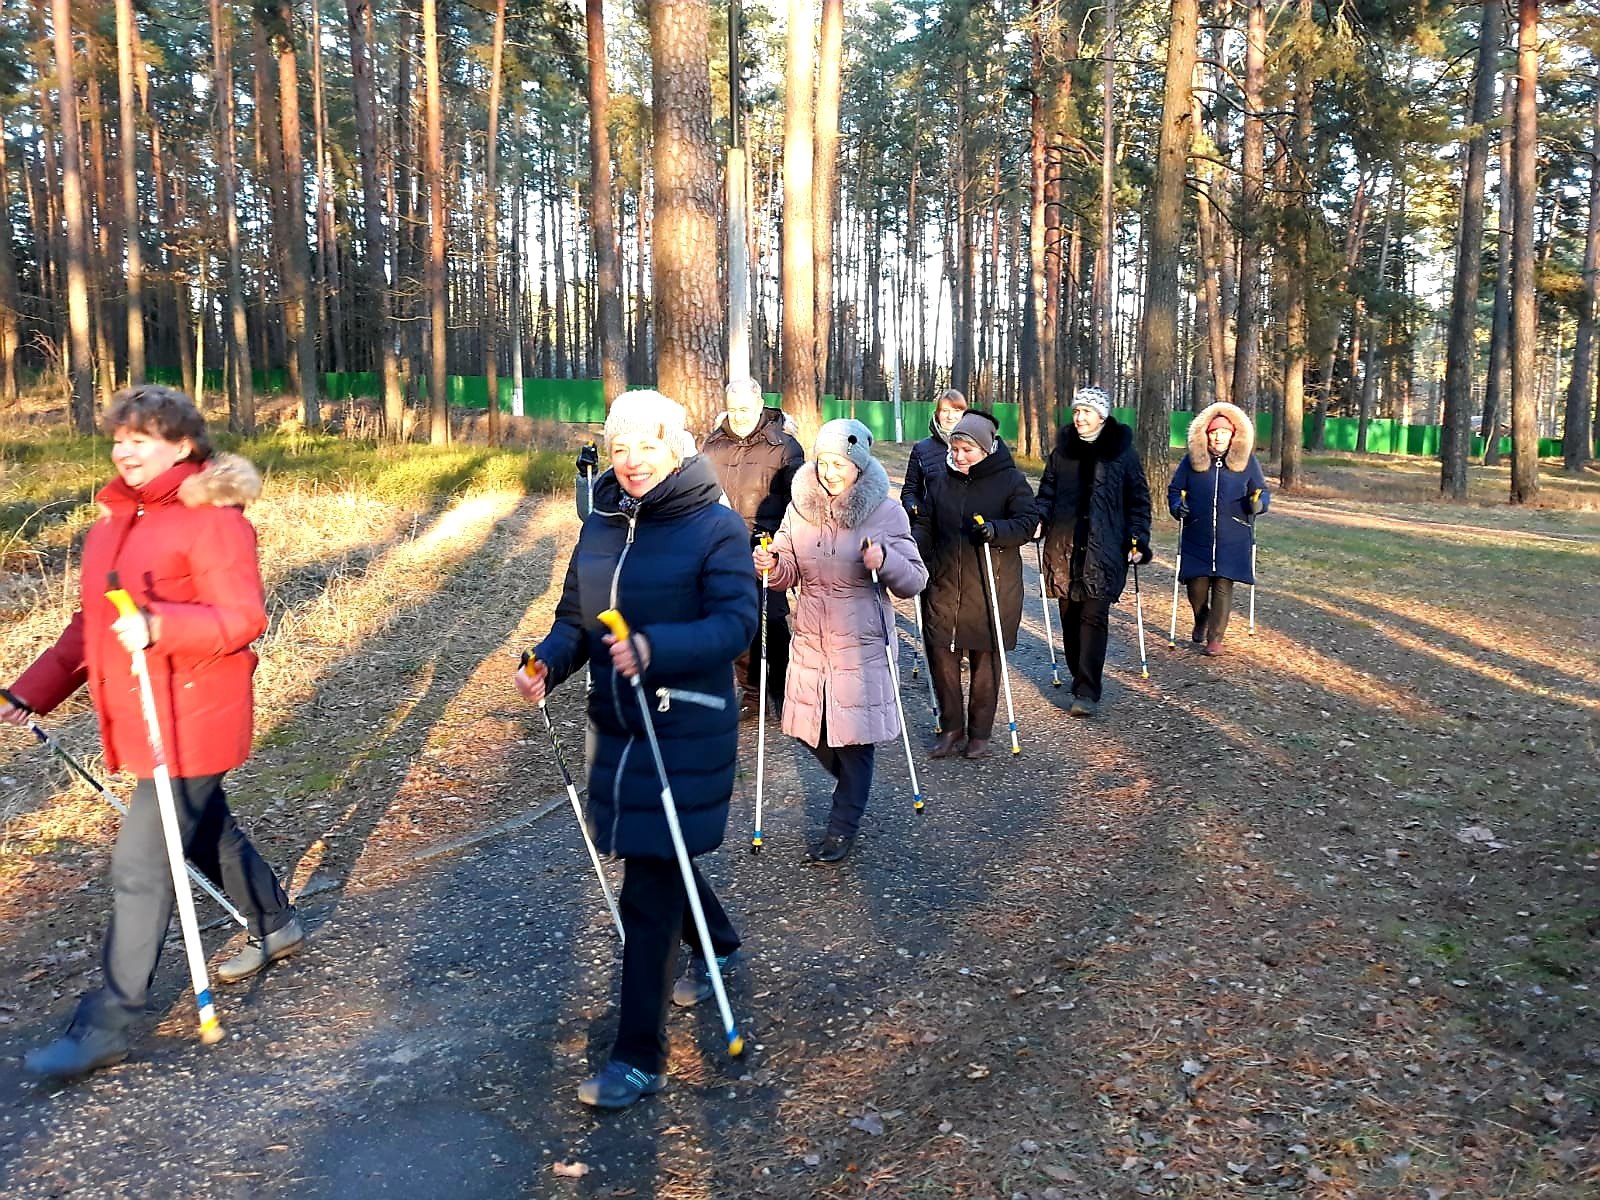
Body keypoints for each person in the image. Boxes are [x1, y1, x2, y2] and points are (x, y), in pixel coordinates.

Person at [2, 385, 303, 1082]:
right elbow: (91, 624)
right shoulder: (113, 522)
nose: (125, 450)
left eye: (142, 438)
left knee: (140, 866)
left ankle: (104, 1025)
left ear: (182, 445)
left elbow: (243, 617)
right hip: (143, 710)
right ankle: (275, 922)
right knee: (201, 829)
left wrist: (161, 626)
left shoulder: (213, 519)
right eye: (119, 438)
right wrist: (32, 690)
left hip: (194, 714)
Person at [515, 390, 758, 1110]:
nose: (631, 461)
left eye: (647, 445)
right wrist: (547, 662)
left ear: (676, 448)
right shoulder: (600, 524)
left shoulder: (716, 527)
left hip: (685, 724)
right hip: (618, 725)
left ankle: (637, 1056)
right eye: (620, 448)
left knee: (648, 887)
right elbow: (576, 620)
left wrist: (655, 649)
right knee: (658, 854)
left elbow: (736, 624)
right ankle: (717, 940)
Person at [752, 419, 927, 863]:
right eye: (824, 463)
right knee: (808, 731)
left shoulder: (885, 512)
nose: (830, 473)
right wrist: (770, 564)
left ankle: (842, 825)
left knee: (854, 740)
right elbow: (788, 570)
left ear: (859, 466)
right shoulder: (799, 507)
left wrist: (884, 560)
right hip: (811, 637)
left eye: (840, 465)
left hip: (861, 641)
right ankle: (852, 786)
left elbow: (914, 580)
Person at [911, 410, 1034, 759]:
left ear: (986, 449)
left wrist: (996, 530)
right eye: (955, 449)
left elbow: (1027, 522)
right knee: (941, 654)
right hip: (945, 582)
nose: (959, 456)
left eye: (967, 450)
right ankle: (951, 727)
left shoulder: (1011, 480)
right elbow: (926, 524)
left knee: (985, 661)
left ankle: (980, 732)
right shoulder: (940, 481)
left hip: (992, 584)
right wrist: (913, 544)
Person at [1034, 386, 1153, 718]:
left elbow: (1138, 502)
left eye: (1086, 411)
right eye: (1076, 411)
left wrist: (1138, 539)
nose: (1079, 417)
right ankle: (1078, 673)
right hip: (1064, 548)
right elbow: (1046, 493)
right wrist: (1039, 519)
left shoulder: (1123, 454)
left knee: (1093, 616)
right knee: (1070, 617)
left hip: (1105, 549)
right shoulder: (1062, 453)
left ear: (1102, 416)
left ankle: (1087, 690)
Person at [699, 377, 804, 718]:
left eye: (745, 409)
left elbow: (797, 500)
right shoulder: (712, 446)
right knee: (736, 619)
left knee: (772, 620)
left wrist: (784, 542)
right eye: (733, 409)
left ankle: (782, 689)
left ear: (760, 405)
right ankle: (752, 692)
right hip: (723, 546)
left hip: (768, 545)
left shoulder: (784, 446)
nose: (739, 416)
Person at [1166, 401, 1270, 655]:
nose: (1219, 437)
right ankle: (1201, 617)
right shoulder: (1191, 461)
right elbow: (1175, 490)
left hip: (1233, 535)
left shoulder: (1247, 462)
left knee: (1224, 584)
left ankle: (1215, 638)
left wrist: (1258, 504)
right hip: (1197, 532)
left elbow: (1261, 491)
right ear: (1206, 435)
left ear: (1233, 435)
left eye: (1224, 432)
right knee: (1196, 586)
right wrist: (1178, 506)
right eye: (1214, 432)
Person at [900, 387, 968, 516]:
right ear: (937, 414)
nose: (950, 416)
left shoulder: (979, 446)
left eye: (956, 410)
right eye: (945, 410)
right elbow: (910, 491)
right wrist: (915, 512)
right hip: (930, 524)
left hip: (969, 524)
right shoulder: (921, 449)